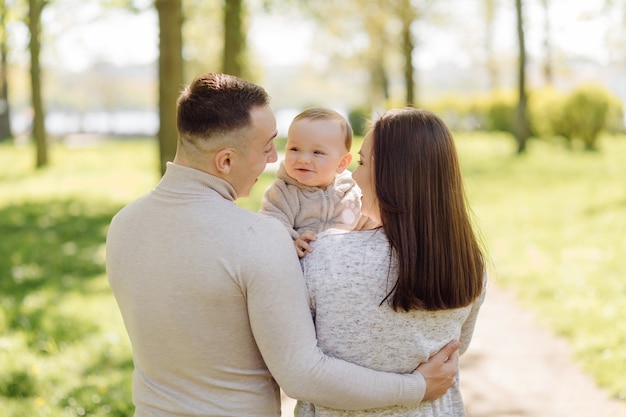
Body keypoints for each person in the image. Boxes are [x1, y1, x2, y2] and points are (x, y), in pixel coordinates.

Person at [106, 73, 462, 417]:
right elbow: (304, 373)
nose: (275, 160)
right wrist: (415, 387)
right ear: (226, 160)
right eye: (267, 147)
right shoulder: (257, 237)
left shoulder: (123, 225)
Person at [296, 107, 488, 417]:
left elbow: (299, 372)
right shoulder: (468, 263)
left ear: (392, 175)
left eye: (360, 162)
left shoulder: (324, 256)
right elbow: (454, 353)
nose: (351, 176)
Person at [260, 107, 360, 257]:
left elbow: (369, 221)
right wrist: (292, 243)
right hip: (302, 265)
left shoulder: (350, 189)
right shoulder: (283, 191)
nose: (303, 159)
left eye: (317, 152)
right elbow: (271, 225)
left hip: (343, 262)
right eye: (295, 149)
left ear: (342, 163)